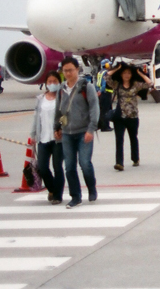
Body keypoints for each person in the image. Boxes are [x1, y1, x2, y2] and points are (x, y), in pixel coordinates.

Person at [54, 57, 100, 208]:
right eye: (65, 71)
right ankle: (75, 196)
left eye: (70, 70)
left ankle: (91, 188)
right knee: (69, 166)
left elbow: (94, 108)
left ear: (77, 70)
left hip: (84, 132)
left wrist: (91, 129)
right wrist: (58, 127)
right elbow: (59, 111)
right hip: (67, 133)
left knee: (85, 163)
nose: (67, 73)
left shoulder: (86, 86)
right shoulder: (61, 90)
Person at [107, 63, 152, 170]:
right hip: (120, 117)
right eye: (124, 73)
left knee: (133, 138)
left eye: (129, 73)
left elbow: (150, 83)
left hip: (133, 116)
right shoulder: (117, 84)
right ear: (121, 75)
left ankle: (135, 158)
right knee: (119, 140)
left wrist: (140, 73)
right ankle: (119, 163)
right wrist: (117, 68)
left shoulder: (136, 85)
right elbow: (107, 77)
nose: (126, 75)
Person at [30, 72, 65, 205]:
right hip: (43, 137)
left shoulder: (62, 98)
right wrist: (32, 135)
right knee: (43, 167)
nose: (52, 84)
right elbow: (36, 118)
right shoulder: (40, 99)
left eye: (55, 81)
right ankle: (51, 189)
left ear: (59, 82)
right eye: (49, 81)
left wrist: (62, 129)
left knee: (57, 166)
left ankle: (57, 195)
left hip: (57, 138)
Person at [96, 59, 113, 132]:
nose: (110, 65)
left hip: (101, 94)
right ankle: (105, 126)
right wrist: (101, 90)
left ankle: (101, 125)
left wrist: (98, 91)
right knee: (106, 110)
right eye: (109, 64)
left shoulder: (99, 72)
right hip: (106, 93)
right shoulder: (106, 73)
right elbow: (103, 84)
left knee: (102, 110)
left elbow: (97, 83)